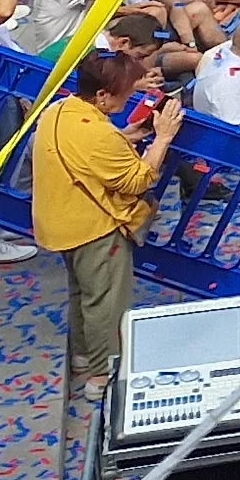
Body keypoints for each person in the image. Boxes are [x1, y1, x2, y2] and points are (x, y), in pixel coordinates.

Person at [31, 48, 183, 397]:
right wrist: (163, 138)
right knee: (104, 302)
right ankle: (102, 376)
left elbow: (86, 152)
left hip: (58, 222)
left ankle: (84, 357)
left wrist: (127, 136)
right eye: (125, 92)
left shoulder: (59, 110)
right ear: (101, 94)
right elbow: (137, 181)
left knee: (81, 292)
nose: (131, 97)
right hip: (94, 227)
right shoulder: (99, 136)